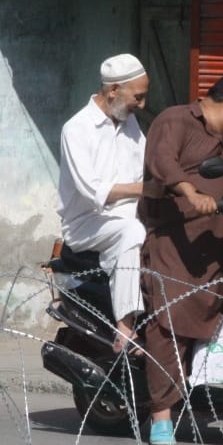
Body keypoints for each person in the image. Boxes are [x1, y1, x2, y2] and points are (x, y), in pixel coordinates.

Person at [138, 74, 223, 445]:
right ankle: (161, 417)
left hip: (215, 251)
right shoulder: (175, 120)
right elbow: (162, 161)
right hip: (174, 246)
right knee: (169, 324)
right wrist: (190, 191)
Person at [57, 54, 151, 354]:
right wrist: (148, 190)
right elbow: (92, 190)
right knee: (130, 233)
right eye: (138, 97)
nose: (142, 104)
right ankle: (125, 328)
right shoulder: (77, 129)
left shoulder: (131, 124)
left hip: (128, 216)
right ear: (113, 91)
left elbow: (146, 168)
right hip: (87, 224)